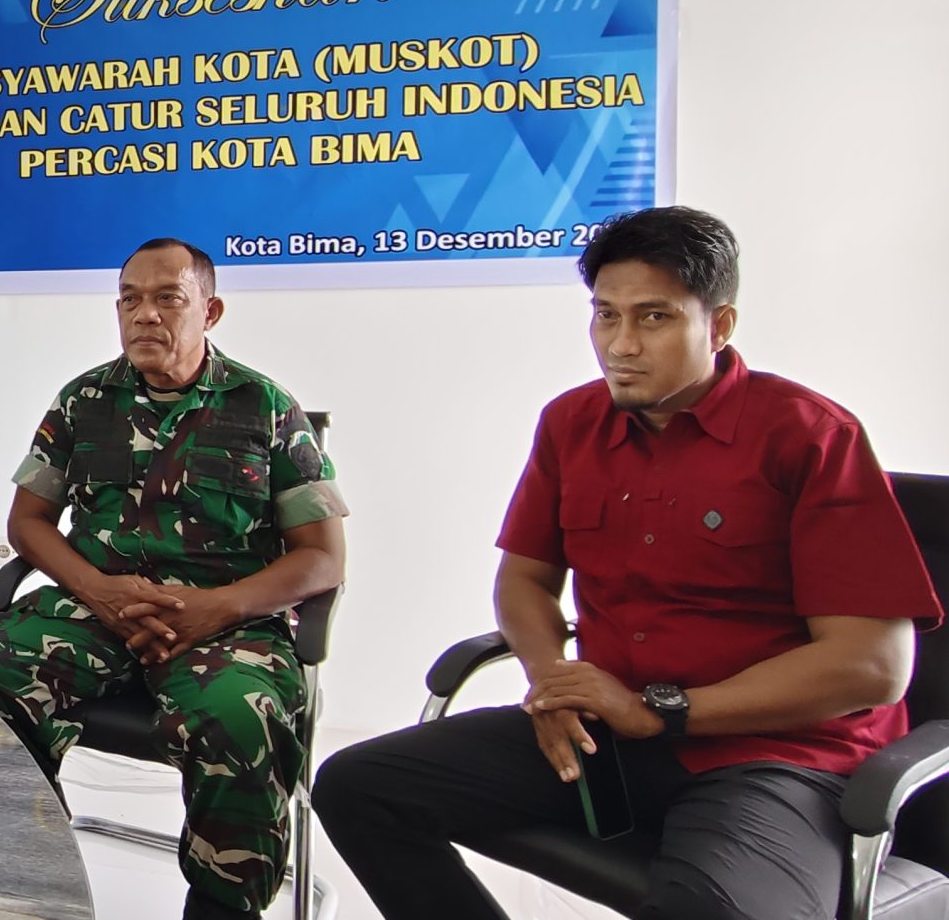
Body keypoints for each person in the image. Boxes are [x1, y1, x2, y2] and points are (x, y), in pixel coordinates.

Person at [314, 207, 940, 920]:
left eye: (654, 317)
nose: (621, 344)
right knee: (360, 787)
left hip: (775, 754)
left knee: (711, 910)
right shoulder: (571, 423)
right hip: (609, 733)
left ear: (720, 325)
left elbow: (872, 665)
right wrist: (553, 682)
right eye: (605, 315)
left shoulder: (809, 436)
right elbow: (524, 579)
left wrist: (661, 712)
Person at [0, 238, 347, 920]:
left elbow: (323, 557)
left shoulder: (265, 407)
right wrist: (95, 588)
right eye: (129, 299)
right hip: (96, 608)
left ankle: (224, 904)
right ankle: (34, 873)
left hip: (226, 620)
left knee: (237, 718)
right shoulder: (84, 399)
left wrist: (218, 606)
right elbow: (29, 521)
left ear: (209, 311)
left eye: (168, 298)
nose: (145, 314)